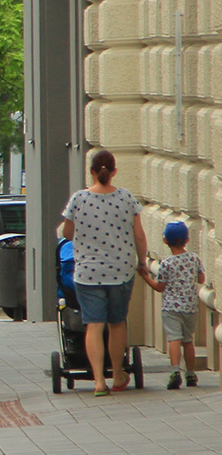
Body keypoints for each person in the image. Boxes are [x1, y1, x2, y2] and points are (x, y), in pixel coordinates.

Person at [60, 149, 147, 395]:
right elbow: (139, 235)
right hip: (121, 271)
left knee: (94, 325)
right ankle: (118, 374)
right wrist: (142, 262)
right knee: (117, 323)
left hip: (88, 273)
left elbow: (67, 233)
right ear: (114, 171)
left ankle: (99, 381)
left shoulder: (78, 199)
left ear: (91, 172)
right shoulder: (127, 198)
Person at [137, 221, 203, 389]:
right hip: (190, 307)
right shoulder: (194, 258)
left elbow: (160, 287)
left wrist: (145, 277)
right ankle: (190, 373)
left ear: (165, 241)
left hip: (171, 308)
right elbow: (201, 279)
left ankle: (175, 371)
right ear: (187, 240)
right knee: (188, 341)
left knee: (174, 339)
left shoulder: (166, 264)